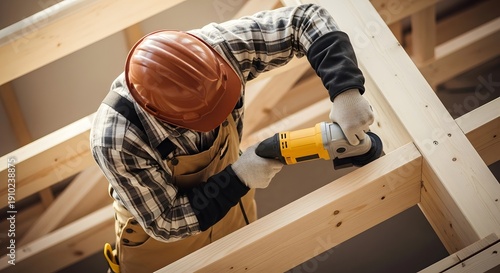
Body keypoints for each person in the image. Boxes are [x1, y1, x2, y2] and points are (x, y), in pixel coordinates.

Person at [90, 3, 374, 273]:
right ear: (157, 113)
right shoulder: (116, 137)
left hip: (231, 210)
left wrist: (346, 90)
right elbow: (167, 221)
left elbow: (306, 19)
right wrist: (239, 177)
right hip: (163, 247)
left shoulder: (221, 48)